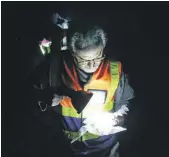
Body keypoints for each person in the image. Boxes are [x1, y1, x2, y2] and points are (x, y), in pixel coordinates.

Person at [30, 15, 135, 157]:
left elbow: (126, 102)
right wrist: (44, 98)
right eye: (84, 60)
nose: (92, 64)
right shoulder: (55, 68)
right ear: (73, 53)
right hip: (66, 148)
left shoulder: (114, 71)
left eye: (97, 57)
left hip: (105, 148)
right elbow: (29, 98)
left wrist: (118, 117)